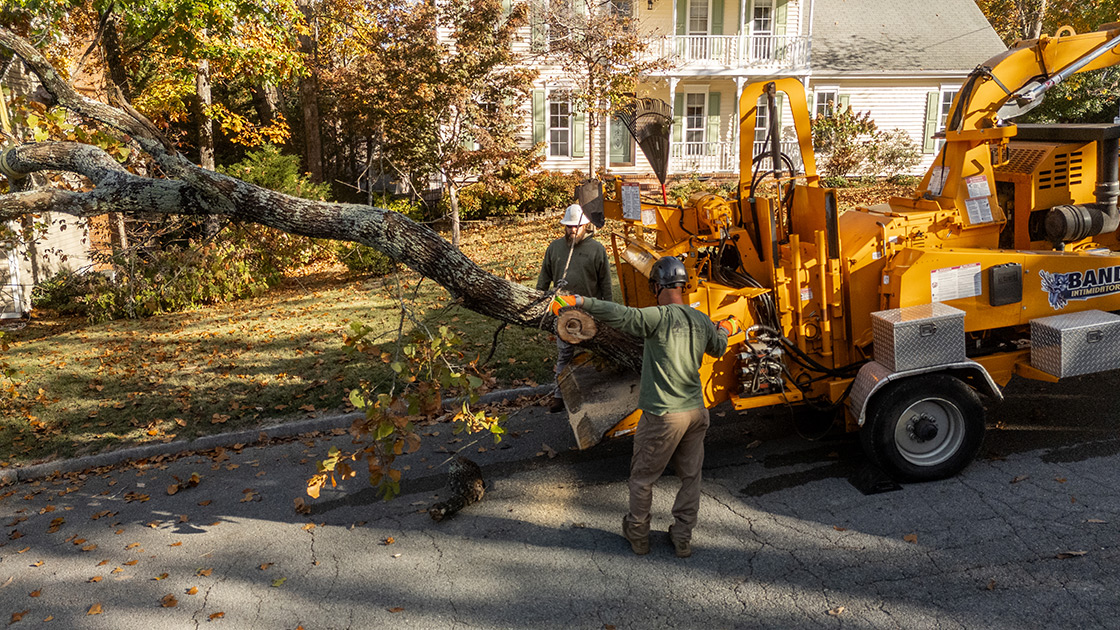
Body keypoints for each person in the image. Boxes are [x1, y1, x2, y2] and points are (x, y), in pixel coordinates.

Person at [549, 256, 737, 558]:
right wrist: (727, 327)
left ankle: (638, 534)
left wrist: (580, 301)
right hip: (696, 414)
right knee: (691, 478)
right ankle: (683, 538)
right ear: (683, 285)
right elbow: (718, 346)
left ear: (655, 286)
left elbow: (620, 315)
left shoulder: (657, 318)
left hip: (664, 415)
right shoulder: (700, 319)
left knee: (642, 478)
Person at [536, 203, 612, 413]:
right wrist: (538, 301)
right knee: (565, 354)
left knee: (596, 354)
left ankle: (595, 394)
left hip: (591, 312)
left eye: (576, 227)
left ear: (586, 226)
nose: (572, 230)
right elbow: (544, 278)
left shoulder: (597, 250)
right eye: (569, 226)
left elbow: (606, 283)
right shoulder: (555, 249)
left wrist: (609, 310)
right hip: (565, 314)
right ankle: (559, 396)